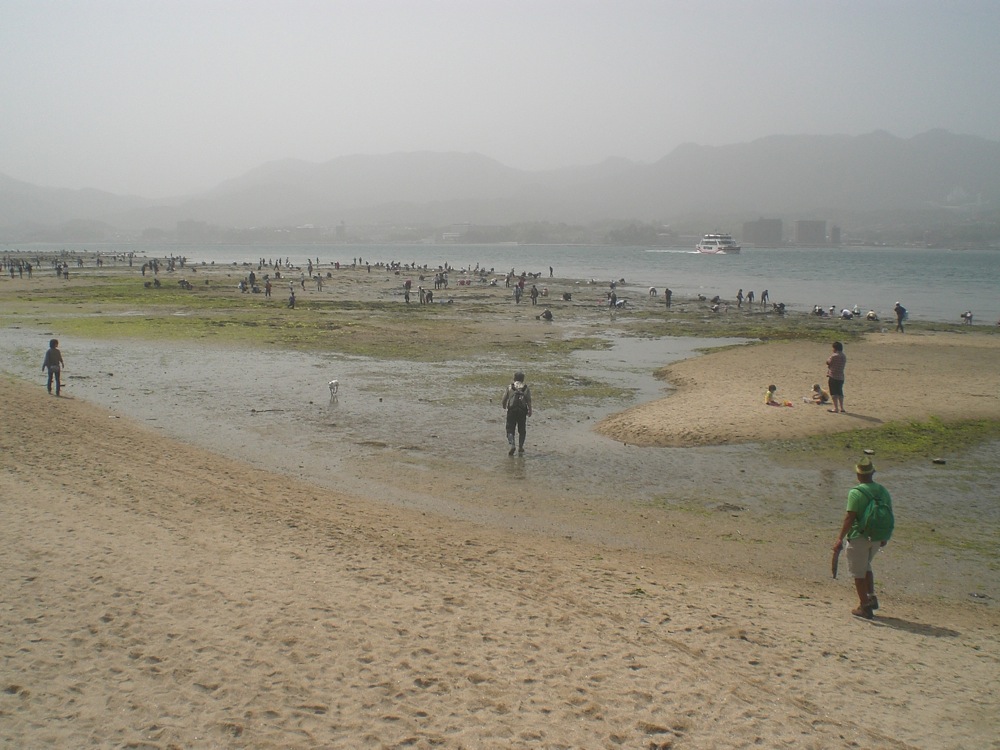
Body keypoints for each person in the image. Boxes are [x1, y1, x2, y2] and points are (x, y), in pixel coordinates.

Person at [833, 457, 894, 619]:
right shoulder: (883, 491)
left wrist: (839, 538)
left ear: (858, 474)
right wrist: (885, 536)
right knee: (866, 567)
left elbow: (850, 517)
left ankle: (864, 607)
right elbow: (889, 513)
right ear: (872, 473)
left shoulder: (855, 492)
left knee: (858, 574)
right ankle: (871, 597)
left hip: (859, 537)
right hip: (877, 537)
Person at [501, 371, 532, 455]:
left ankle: (512, 445)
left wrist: (504, 406)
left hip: (512, 411)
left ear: (514, 378)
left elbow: (504, 399)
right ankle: (521, 446)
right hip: (522, 411)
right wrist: (530, 410)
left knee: (510, 429)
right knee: (522, 430)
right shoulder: (526, 388)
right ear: (523, 379)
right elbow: (529, 401)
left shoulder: (510, 387)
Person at [826, 341, 846, 413]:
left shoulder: (834, 356)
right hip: (841, 376)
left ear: (835, 348)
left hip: (833, 376)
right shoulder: (843, 356)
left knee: (834, 393)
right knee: (840, 392)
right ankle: (842, 407)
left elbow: (828, 362)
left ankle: (835, 408)